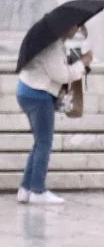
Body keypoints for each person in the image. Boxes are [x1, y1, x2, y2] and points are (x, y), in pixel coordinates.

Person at [15, 25, 92, 204]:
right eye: (77, 27)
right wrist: (83, 63)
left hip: (28, 90)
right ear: (68, 26)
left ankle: (25, 189)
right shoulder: (52, 46)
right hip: (38, 94)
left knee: (39, 142)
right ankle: (37, 190)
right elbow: (62, 76)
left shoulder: (53, 42)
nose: (77, 31)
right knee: (44, 143)